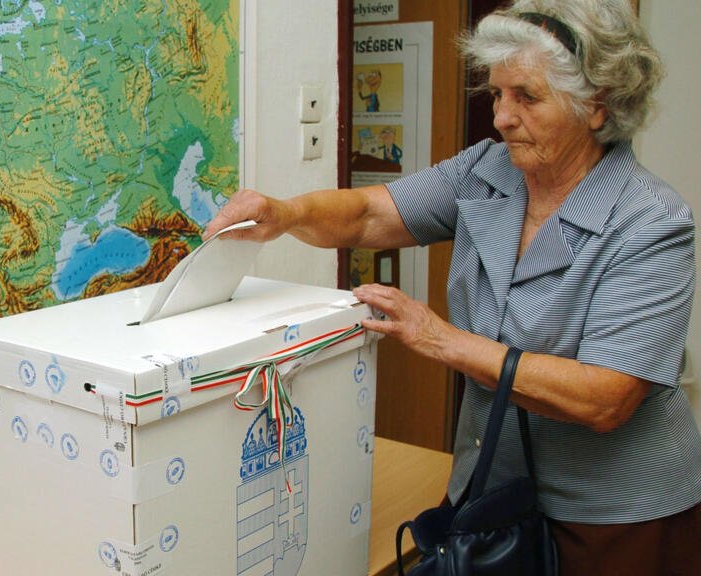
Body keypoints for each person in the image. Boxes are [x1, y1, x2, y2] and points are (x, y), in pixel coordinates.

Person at [203, 0, 701, 573]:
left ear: (597, 106)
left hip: (613, 515)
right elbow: (368, 214)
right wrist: (285, 212)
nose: (501, 118)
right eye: (496, 94)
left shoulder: (651, 219)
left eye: (527, 97)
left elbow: (605, 398)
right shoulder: (488, 171)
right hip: (492, 486)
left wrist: (441, 340)